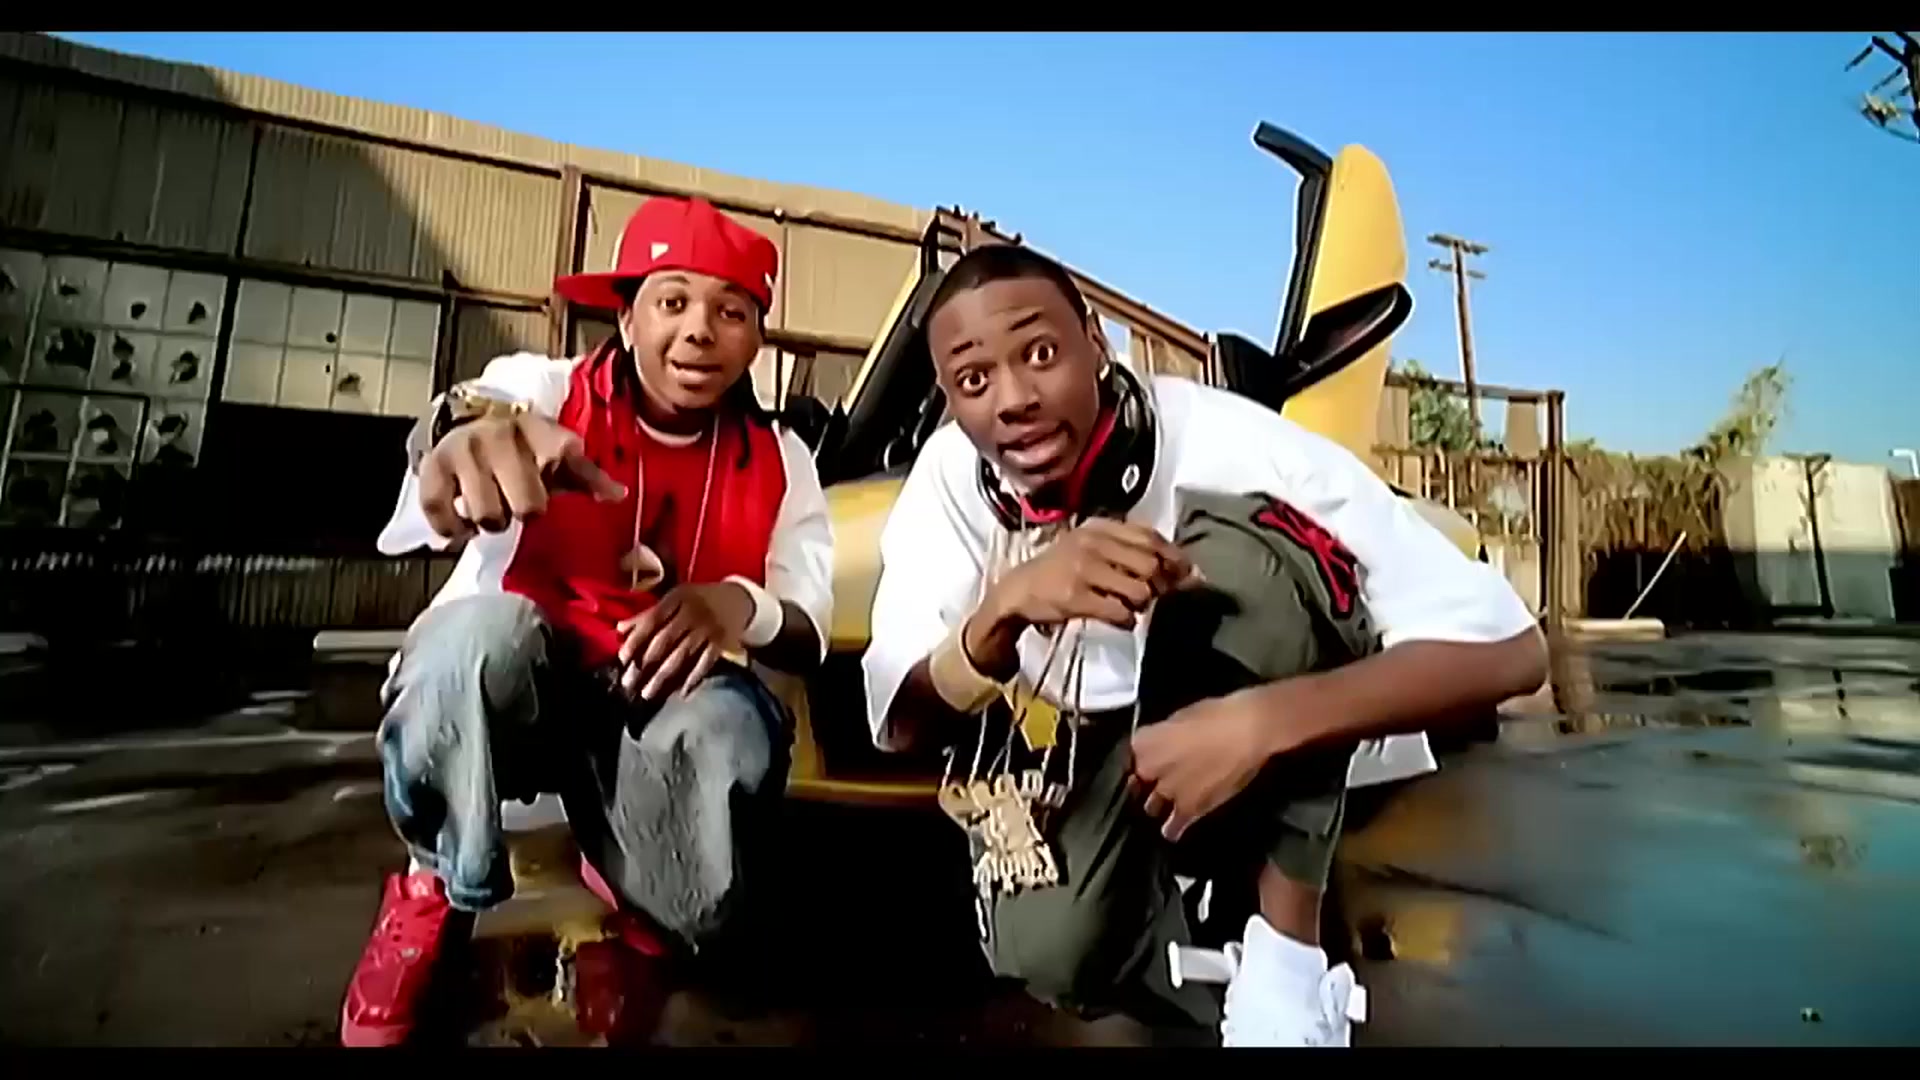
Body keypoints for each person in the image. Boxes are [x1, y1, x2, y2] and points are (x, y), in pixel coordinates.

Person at [860, 244, 1546, 1047]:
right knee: (1048, 951)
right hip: (1112, 746)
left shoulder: (1236, 444)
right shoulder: (949, 479)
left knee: (1255, 549)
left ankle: (1290, 963)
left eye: (1040, 353)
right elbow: (899, 722)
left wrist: (1262, 723)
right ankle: (1214, 959)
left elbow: (1514, 651)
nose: (1013, 400)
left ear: (1096, 341)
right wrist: (1000, 615)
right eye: (975, 380)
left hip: (1266, 706)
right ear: (948, 397)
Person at [339, 196, 834, 1047]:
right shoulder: (546, 391)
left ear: (758, 337)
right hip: (523, 694)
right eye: (672, 302)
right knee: (470, 645)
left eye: (732, 312)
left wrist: (732, 602)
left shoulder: (782, 458)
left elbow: (808, 627)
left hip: (649, 708)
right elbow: (467, 414)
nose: (700, 330)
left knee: (732, 727)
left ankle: (642, 908)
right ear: (627, 317)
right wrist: (459, 438)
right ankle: (434, 886)